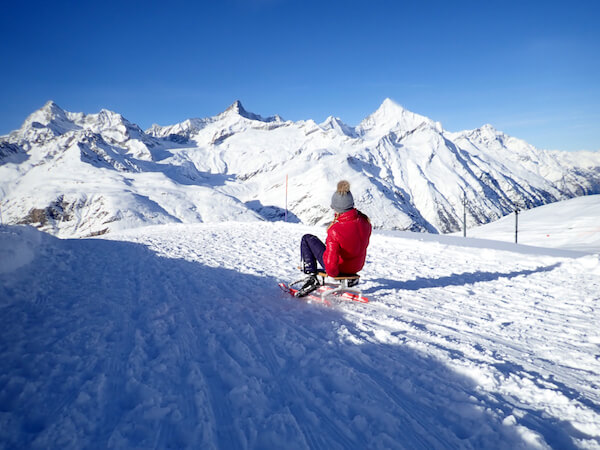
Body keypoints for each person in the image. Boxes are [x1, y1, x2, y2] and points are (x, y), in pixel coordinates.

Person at [297, 180, 372, 297]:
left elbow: (331, 269)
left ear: (338, 208)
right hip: (357, 266)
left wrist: (332, 273)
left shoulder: (335, 230)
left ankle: (311, 277)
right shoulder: (365, 222)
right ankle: (349, 279)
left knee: (307, 239)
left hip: (341, 267)